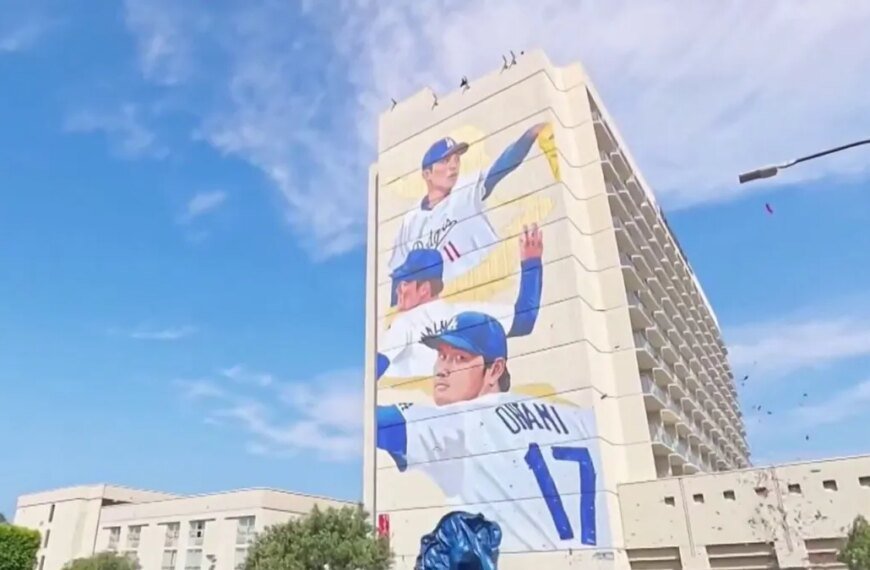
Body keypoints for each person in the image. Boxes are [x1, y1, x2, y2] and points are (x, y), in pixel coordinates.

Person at [376, 312, 600, 552]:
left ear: (495, 370)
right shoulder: (576, 419)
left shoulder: (463, 420)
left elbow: (363, 418)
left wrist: (389, 350)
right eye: (441, 355)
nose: (442, 369)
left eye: (459, 358)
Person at [388, 123, 551, 306]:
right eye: (445, 161)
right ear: (427, 174)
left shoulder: (466, 191)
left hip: (482, 282)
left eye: (456, 159)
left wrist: (530, 135)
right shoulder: (411, 220)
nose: (453, 166)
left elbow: (502, 166)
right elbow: (397, 275)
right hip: (434, 301)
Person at [377, 225, 543, 380]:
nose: (398, 290)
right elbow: (524, 321)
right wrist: (531, 263)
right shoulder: (468, 315)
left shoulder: (406, 322)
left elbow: (376, 366)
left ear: (424, 289)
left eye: (405, 283)